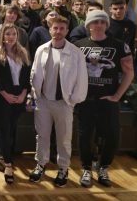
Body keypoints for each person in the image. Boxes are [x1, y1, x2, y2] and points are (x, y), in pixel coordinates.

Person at [74, 10, 134, 188]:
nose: (99, 25)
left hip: (108, 100)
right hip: (85, 100)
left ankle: (103, 167)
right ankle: (86, 168)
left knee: (112, 136)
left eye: (102, 22)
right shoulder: (78, 45)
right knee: (84, 137)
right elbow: (70, 73)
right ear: (88, 25)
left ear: (106, 25)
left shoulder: (119, 45)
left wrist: (117, 96)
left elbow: (129, 73)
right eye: (95, 22)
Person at [29, 16, 88, 187]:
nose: (58, 32)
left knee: (63, 138)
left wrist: (73, 100)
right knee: (42, 136)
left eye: (62, 28)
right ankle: (40, 164)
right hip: (43, 101)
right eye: (55, 28)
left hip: (64, 103)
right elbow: (34, 72)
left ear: (67, 31)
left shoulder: (75, 53)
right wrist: (35, 93)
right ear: (50, 29)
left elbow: (81, 79)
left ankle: (63, 168)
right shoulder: (42, 49)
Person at [0, 23, 31, 184]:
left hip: (19, 96)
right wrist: (5, 94)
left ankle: (3, 156)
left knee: (12, 129)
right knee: (5, 129)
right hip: (2, 97)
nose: (11, 37)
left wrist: (24, 93)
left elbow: (27, 77)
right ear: (2, 36)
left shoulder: (23, 52)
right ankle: (8, 164)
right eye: (7, 34)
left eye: (13, 34)